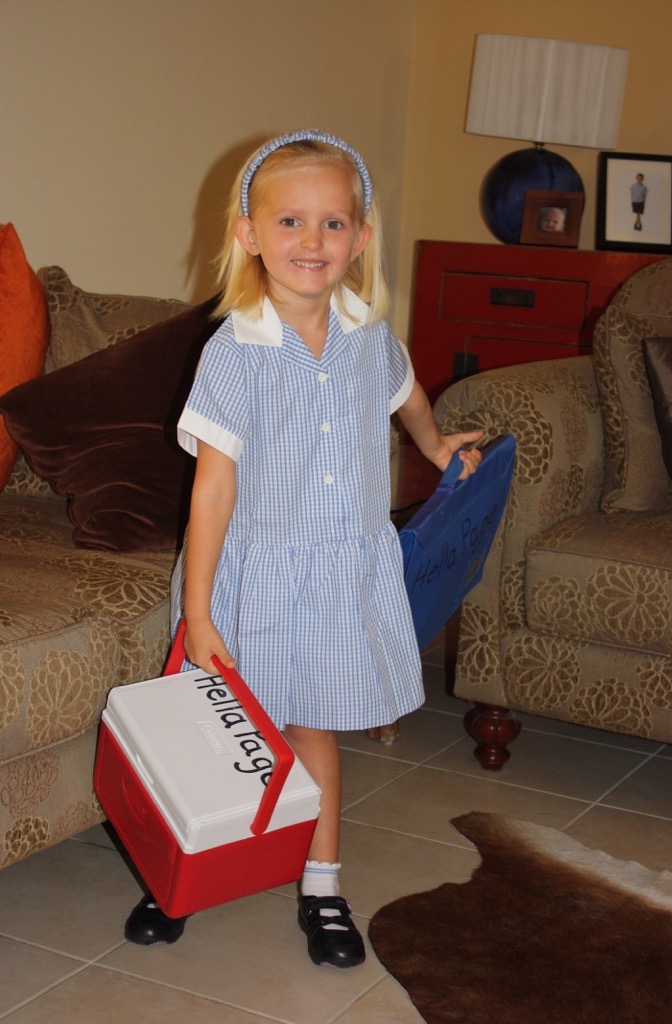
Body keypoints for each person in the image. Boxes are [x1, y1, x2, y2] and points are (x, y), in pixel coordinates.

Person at [123, 129, 483, 967]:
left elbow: (407, 394)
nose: (311, 242)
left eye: (332, 224)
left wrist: (432, 449)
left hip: (334, 575)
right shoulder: (233, 353)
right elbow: (210, 488)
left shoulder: (366, 335)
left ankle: (321, 886)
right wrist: (201, 610)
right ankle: (178, 875)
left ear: (359, 238)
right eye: (289, 222)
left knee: (310, 729)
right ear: (249, 234)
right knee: (217, 736)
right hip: (247, 576)